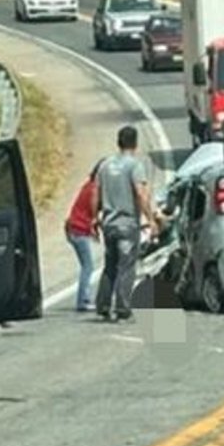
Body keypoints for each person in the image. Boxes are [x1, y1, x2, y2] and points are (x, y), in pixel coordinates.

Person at [91, 126, 160, 322]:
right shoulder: (134, 166)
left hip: (109, 224)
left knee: (110, 265)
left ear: (118, 142)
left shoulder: (104, 165)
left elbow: (95, 192)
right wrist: (150, 218)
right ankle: (122, 307)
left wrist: (94, 217)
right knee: (127, 266)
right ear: (135, 144)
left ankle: (103, 305)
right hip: (127, 224)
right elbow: (140, 193)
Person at [65, 161, 103, 312]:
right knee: (88, 266)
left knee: (86, 265)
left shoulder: (88, 186)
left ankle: (84, 298)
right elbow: (94, 211)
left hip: (73, 229)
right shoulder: (94, 189)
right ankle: (82, 301)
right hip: (78, 230)